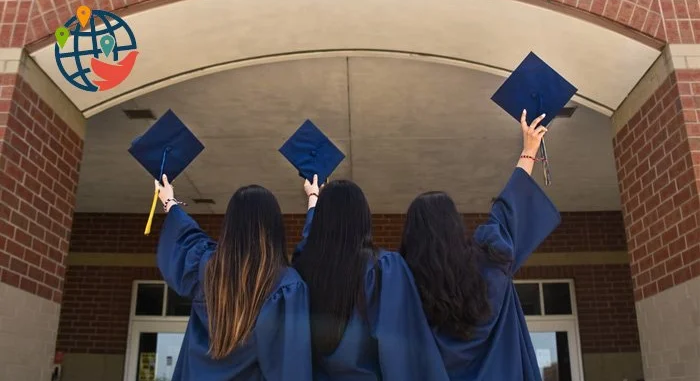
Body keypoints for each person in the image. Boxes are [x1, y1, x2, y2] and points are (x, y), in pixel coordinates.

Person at [400, 110, 562, 381]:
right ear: (455, 226)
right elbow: (508, 210)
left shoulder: (403, 286)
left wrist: (315, 201)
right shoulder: (490, 261)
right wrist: (529, 148)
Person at [155, 175, 312, 381]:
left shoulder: (205, 268)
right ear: (275, 227)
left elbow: (185, 237)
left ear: (229, 225)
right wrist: (313, 200)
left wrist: (169, 201)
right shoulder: (286, 286)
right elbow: (291, 367)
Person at [293, 177, 449, 381]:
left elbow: (308, 242)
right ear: (363, 217)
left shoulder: (303, 268)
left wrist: (313, 200)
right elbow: (401, 356)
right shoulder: (383, 269)